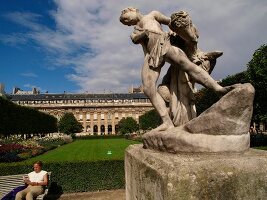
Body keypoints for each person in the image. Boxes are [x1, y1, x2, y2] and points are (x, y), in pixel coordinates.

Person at [120, 7, 231, 131]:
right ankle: (167, 122)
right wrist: (142, 40)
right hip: (151, 55)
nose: (128, 23)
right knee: (147, 88)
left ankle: (218, 88)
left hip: (164, 44)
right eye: (126, 23)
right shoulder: (135, 31)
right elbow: (140, 44)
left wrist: (179, 31)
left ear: (133, 10)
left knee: (189, 67)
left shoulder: (153, 15)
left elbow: (170, 23)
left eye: (126, 19)